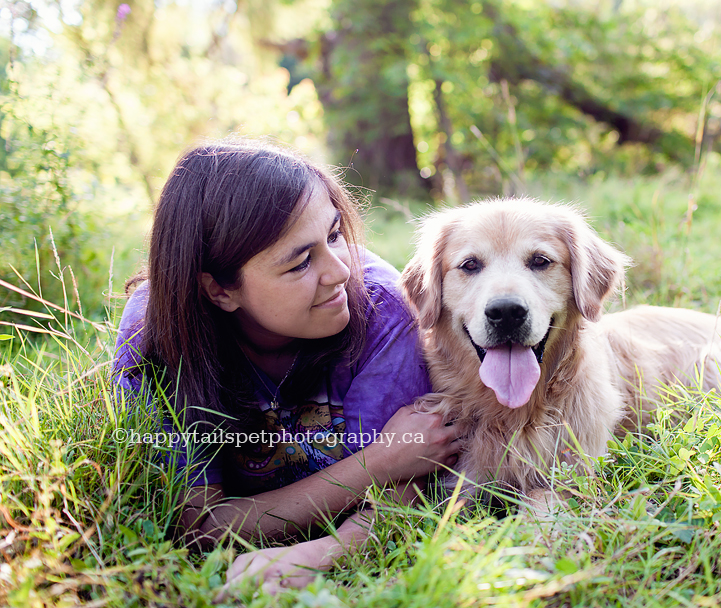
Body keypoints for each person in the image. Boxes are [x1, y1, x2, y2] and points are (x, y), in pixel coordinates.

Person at [113, 138, 461, 593]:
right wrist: (373, 465)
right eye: (300, 263)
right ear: (220, 290)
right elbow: (196, 525)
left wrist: (316, 554)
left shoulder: (383, 309)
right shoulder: (154, 337)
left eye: (334, 235)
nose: (339, 272)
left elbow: (412, 480)